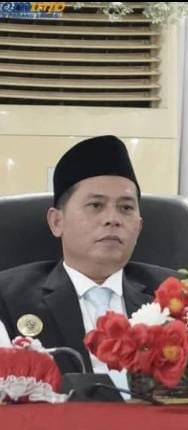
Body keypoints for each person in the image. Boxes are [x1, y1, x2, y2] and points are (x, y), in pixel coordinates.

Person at [0, 135, 178, 380]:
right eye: (96, 205)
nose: (112, 219)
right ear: (57, 221)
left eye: (126, 208)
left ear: (139, 226)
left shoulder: (174, 295)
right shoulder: (9, 298)